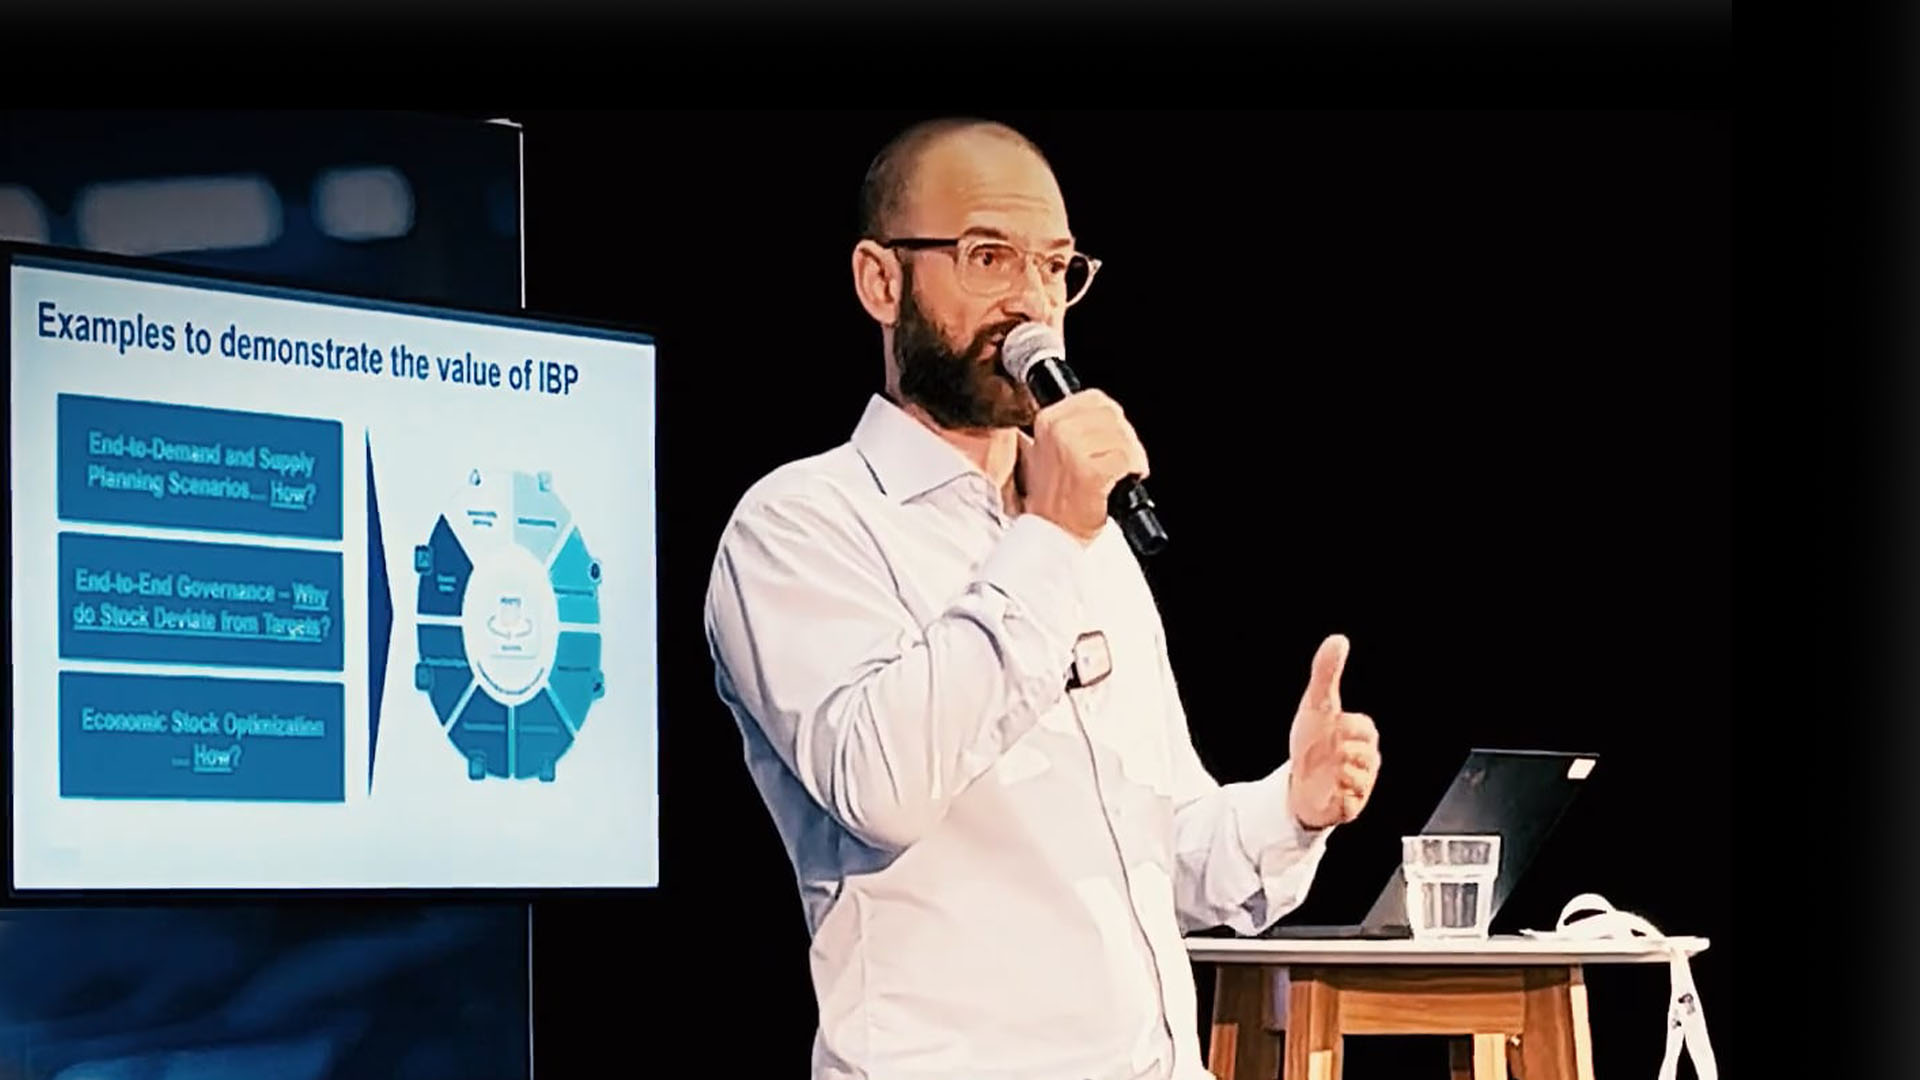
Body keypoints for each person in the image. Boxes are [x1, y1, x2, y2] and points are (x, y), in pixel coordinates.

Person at [702, 117, 1383, 1080]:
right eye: (989, 257)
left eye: (1056, 267)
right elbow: (882, 787)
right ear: (880, 281)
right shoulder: (800, 524)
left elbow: (1160, 856)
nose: (1031, 303)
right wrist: (1051, 538)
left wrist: (1292, 807)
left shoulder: (1083, 538)